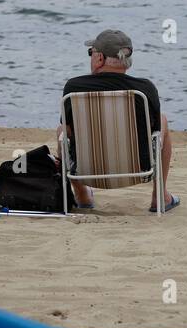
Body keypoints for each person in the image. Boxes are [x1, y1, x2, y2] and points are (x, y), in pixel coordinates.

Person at [61, 29, 177, 212]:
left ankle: (82, 195)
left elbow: (68, 132)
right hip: (138, 170)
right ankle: (159, 196)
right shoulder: (145, 89)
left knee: (61, 131)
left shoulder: (74, 87)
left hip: (85, 172)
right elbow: (154, 134)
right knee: (161, 120)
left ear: (99, 58)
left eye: (91, 53)